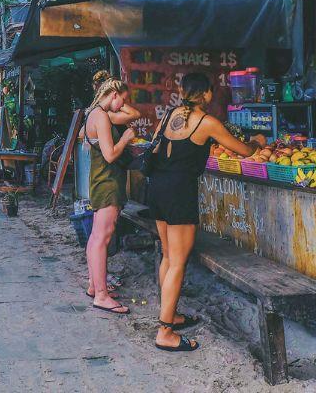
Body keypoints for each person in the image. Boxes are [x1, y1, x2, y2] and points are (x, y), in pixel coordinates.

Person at [144, 72, 260, 352]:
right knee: (177, 262)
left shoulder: (168, 115)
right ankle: (165, 332)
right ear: (206, 93)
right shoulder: (207, 122)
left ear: (183, 91)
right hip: (179, 192)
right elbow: (244, 151)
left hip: (157, 188)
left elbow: (156, 146)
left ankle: (169, 314)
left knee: (168, 256)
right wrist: (257, 143)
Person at [81, 72, 140, 315]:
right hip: (108, 183)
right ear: (113, 95)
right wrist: (125, 138)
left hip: (100, 181)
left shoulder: (92, 114)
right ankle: (102, 296)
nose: (123, 105)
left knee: (96, 237)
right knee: (102, 239)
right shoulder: (102, 116)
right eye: (122, 100)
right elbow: (110, 155)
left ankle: (94, 286)